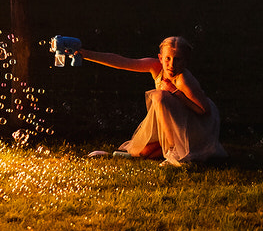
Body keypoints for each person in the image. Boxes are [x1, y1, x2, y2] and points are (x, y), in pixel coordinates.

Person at [81, 36, 226, 166]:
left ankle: (174, 152)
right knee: (143, 152)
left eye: (178, 59)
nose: (171, 64)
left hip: (197, 126)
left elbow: (204, 111)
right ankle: (120, 155)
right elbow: (123, 62)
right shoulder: (156, 67)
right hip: (174, 124)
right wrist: (84, 54)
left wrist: (174, 91)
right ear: (160, 58)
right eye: (167, 59)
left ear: (186, 61)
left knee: (159, 96)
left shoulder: (183, 80)